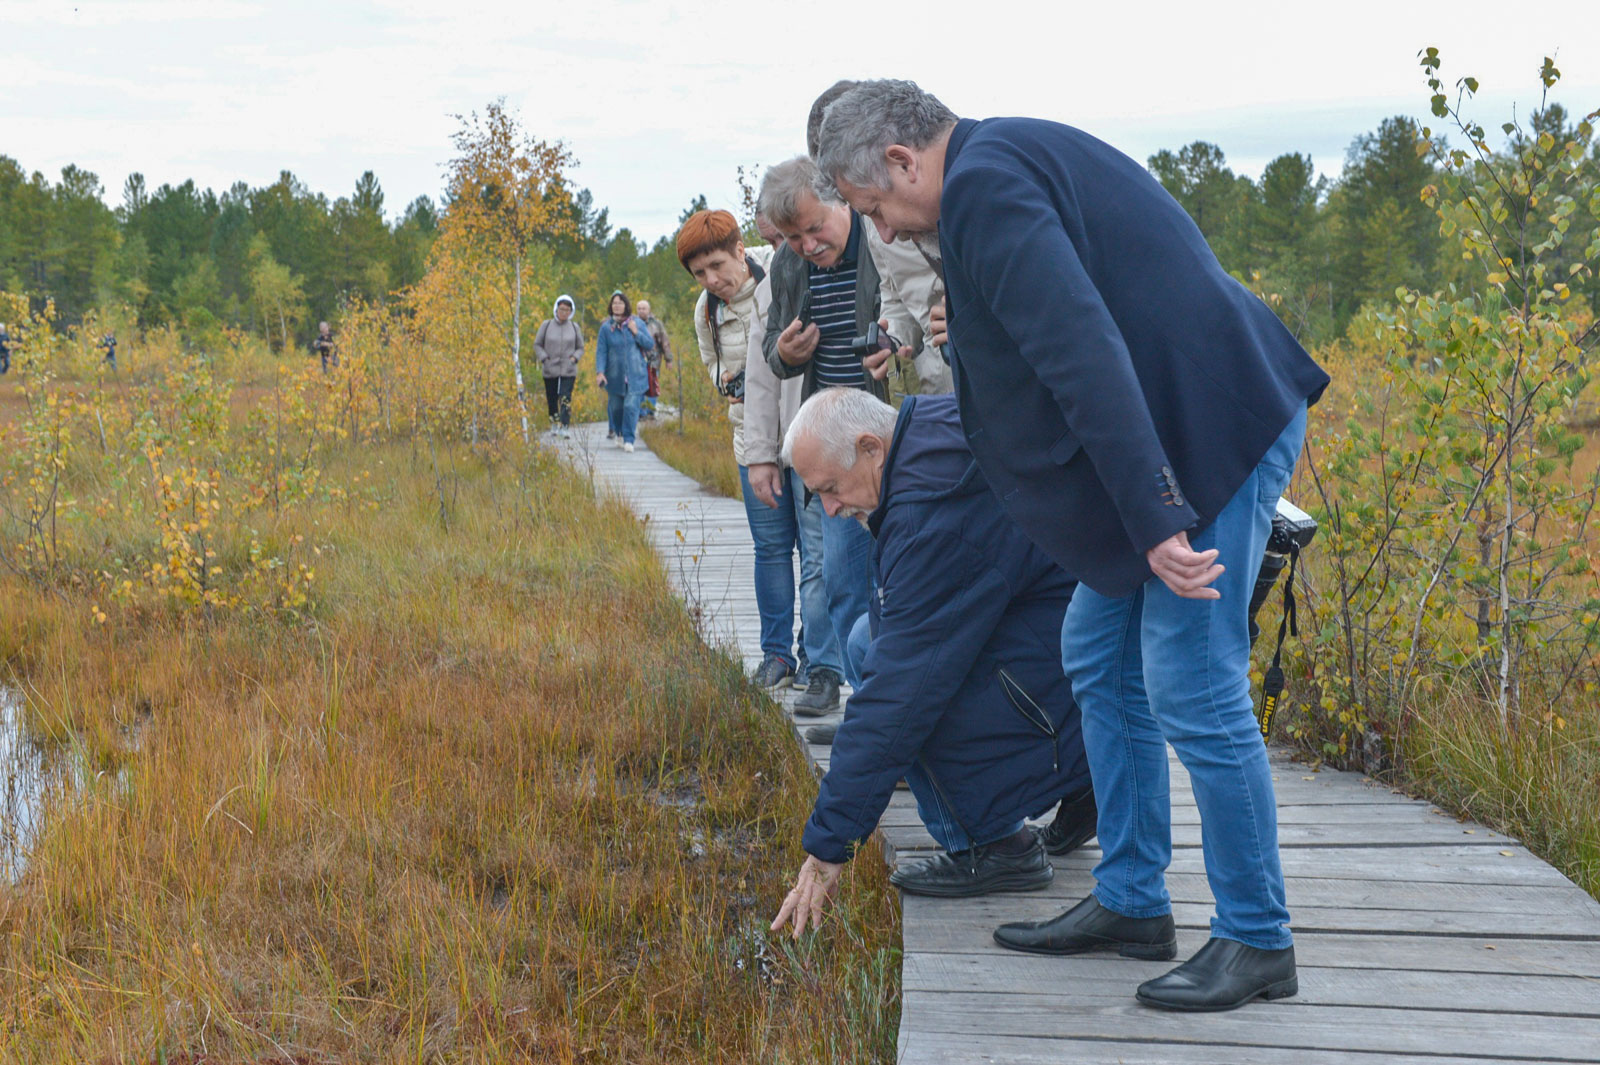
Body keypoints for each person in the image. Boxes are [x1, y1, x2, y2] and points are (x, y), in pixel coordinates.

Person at [814, 80, 1332, 1013]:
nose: (882, 233)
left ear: (900, 161)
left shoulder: (987, 187)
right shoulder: (994, 168)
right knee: (1096, 648)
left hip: (1210, 438)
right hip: (1181, 436)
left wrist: (1156, 514)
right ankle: (1134, 900)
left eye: (874, 209)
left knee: (1194, 682)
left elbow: (1083, 349)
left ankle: (1258, 936)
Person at [771, 388, 1098, 933]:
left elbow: (895, 696)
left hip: (1072, 669)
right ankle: (1084, 782)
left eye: (829, 488)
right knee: (865, 640)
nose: (829, 508)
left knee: (901, 679)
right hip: (1065, 646)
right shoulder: (937, 427)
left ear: (871, 447)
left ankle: (991, 845)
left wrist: (828, 847)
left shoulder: (933, 516)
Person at [757, 157, 905, 715]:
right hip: (833, 455)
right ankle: (871, 716)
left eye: (815, 228)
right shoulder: (787, 267)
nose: (808, 244)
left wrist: (897, 350)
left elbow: (913, 322)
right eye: (793, 237)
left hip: (892, 442)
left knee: (906, 584)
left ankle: (908, 716)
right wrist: (785, 354)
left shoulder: (883, 241)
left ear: (841, 201)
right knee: (844, 583)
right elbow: (773, 345)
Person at [677, 209, 839, 697]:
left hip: (805, 438)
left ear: (740, 249)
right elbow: (712, 364)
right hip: (751, 442)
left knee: (816, 553)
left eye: (718, 266)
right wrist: (726, 382)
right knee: (770, 551)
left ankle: (819, 661)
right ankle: (776, 656)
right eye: (700, 273)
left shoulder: (784, 272)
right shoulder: (707, 311)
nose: (713, 280)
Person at [807, 80, 951, 398]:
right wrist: (892, 339)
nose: (886, 230)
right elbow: (895, 293)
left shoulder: (959, 193)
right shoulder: (873, 220)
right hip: (937, 388)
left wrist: (967, 313)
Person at [594, 290, 654, 452]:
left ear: (626, 305)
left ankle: (629, 438)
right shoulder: (606, 328)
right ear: (611, 306)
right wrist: (600, 372)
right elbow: (601, 351)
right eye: (614, 303)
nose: (617, 306)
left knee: (631, 406)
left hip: (635, 374)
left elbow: (649, 344)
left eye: (620, 303)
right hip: (614, 376)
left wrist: (636, 332)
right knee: (616, 408)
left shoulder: (637, 323)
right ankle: (619, 433)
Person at [535, 295, 583, 437]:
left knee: (565, 397)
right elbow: (537, 344)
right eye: (562, 309)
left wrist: (574, 358)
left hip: (568, 369)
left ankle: (565, 426)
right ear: (556, 309)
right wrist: (544, 358)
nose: (564, 312)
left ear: (571, 311)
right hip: (550, 368)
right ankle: (554, 423)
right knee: (551, 397)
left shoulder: (574, 327)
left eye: (567, 310)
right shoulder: (547, 325)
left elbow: (580, 347)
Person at [636, 300, 672, 420]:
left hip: (654, 361)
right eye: (639, 308)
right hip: (637, 361)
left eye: (644, 308)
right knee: (639, 386)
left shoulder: (656, 324)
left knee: (652, 385)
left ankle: (650, 411)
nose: (641, 311)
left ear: (649, 310)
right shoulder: (632, 323)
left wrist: (668, 359)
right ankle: (641, 412)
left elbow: (664, 342)